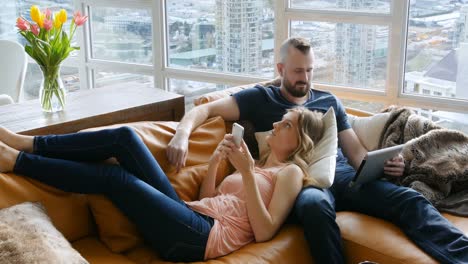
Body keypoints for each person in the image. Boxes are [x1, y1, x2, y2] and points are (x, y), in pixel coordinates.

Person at [167, 37, 468, 263]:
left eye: (310, 71)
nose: (306, 78)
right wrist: (182, 133)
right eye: (298, 71)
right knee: (313, 206)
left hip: (346, 177)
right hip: (304, 182)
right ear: (281, 69)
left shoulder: (329, 102)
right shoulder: (260, 98)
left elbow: (355, 152)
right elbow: (204, 110)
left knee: (409, 199)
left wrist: (386, 165)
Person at [0, 106, 324, 262]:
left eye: (287, 124)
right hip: (191, 216)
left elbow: (265, 230)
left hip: (202, 239)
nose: (276, 124)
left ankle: (16, 161)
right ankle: (29, 144)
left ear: (300, 139)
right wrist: (214, 162)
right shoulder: (254, 162)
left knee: (115, 178)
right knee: (125, 139)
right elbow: (207, 198)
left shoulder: (291, 173)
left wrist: (249, 175)